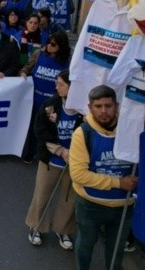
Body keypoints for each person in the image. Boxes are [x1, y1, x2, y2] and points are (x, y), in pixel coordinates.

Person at [70, 85, 137, 270]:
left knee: (116, 253)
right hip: (90, 205)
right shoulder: (82, 133)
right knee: (86, 246)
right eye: (98, 106)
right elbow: (78, 174)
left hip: (124, 205)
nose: (104, 111)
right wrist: (118, 183)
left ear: (116, 106)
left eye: (108, 106)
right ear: (90, 108)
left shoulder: (130, 131)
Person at [25, 71, 82, 250]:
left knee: (69, 197)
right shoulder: (51, 105)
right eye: (57, 83)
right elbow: (40, 129)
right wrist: (60, 150)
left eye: (61, 84)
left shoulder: (84, 111)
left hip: (74, 162)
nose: (56, 87)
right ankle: (37, 225)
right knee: (42, 194)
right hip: (51, 160)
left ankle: (63, 229)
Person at [21, 30, 73, 162]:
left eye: (54, 44)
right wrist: (24, 72)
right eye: (48, 42)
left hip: (52, 104)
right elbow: (27, 67)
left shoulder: (67, 63)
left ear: (61, 46)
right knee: (33, 127)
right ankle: (30, 152)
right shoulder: (39, 54)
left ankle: (46, 154)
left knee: (49, 129)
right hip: (34, 100)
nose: (49, 46)